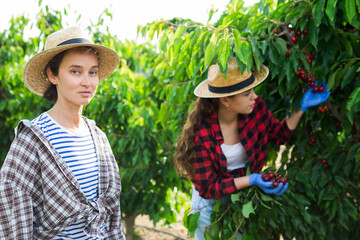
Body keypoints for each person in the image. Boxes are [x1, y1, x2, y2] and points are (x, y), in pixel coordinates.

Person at [173, 57, 330, 239]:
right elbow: (208, 187)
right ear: (225, 99)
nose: (254, 96)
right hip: (210, 205)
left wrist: (300, 108)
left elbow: (278, 135)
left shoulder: (254, 109)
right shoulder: (202, 134)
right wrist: (253, 179)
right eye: (247, 93)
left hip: (241, 199)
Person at [0, 27, 126, 239]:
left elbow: (112, 219)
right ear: (53, 75)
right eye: (75, 71)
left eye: (92, 72)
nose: (87, 82)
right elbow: (13, 221)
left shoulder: (98, 137)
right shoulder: (33, 140)